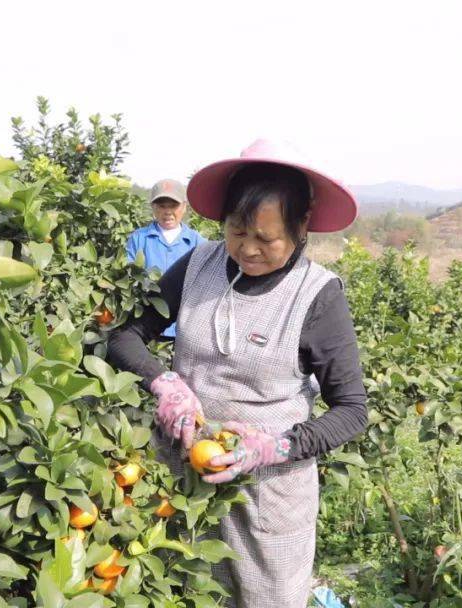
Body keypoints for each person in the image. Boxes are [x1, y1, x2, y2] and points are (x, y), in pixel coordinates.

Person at [107, 139, 368, 607]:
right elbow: (125, 335)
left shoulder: (317, 295)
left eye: (266, 239)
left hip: (268, 495)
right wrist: (164, 382)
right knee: (185, 591)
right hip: (183, 479)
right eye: (235, 231)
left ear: (302, 226)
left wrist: (276, 445)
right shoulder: (197, 265)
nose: (247, 250)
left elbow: (351, 410)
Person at [125, 178, 205, 337]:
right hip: (145, 326)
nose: (167, 211)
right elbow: (127, 278)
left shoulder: (198, 243)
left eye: (173, 205)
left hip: (183, 331)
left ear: (184, 207)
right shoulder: (139, 239)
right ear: (153, 208)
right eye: (161, 206)